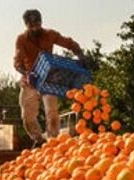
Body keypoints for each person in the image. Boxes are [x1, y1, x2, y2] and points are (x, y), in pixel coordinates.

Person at [14, 9, 85, 147]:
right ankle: (38, 139)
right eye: (31, 25)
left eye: (37, 23)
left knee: (52, 113)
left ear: (41, 22)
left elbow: (68, 43)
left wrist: (80, 55)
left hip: (48, 77)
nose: (35, 27)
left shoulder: (50, 34)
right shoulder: (22, 39)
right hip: (30, 78)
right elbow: (17, 62)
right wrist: (27, 73)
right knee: (28, 114)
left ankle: (53, 141)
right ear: (26, 25)